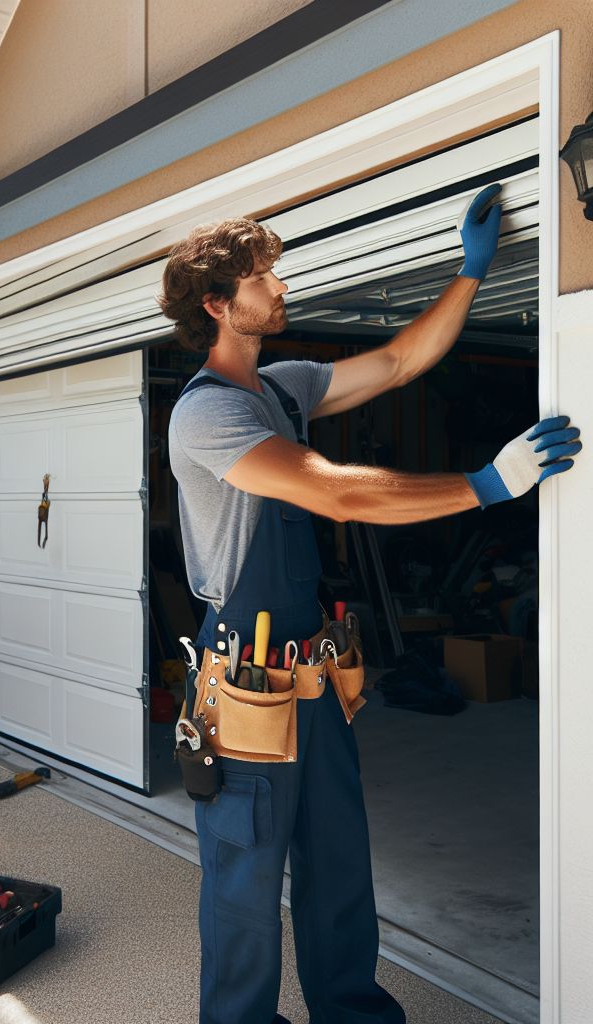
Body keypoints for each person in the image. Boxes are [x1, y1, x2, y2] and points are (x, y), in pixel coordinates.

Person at [160, 185, 581, 1024]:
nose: (281, 285)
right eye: (263, 275)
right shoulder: (205, 415)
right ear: (218, 303)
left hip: (314, 673)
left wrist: (469, 275)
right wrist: (485, 486)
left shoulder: (279, 389)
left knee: (339, 864)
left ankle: (353, 1013)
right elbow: (334, 494)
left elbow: (394, 364)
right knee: (244, 881)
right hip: (243, 682)